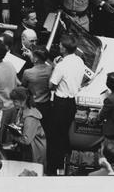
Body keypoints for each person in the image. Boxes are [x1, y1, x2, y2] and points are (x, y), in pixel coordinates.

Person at [48, 34, 85, 174]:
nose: (59, 47)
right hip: (71, 103)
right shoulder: (79, 61)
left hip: (61, 103)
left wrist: (54, 67)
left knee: (55, 136)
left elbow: (51, 85)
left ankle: (55, 166)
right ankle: (65, 160)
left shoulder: (61, 66)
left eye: (60, 45)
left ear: (63, 48)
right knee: (64, 132)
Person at [9, 87, 47, 167]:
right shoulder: (21, 110)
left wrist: (13, 136)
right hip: (26, 149)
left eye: (15, 101)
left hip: (34, 150)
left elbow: (26, 140)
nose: (13, 103)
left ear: (23, 100)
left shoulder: (30, 117)